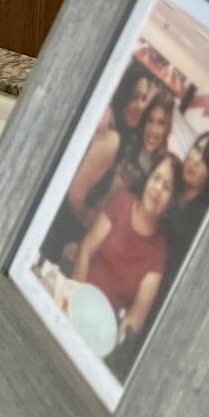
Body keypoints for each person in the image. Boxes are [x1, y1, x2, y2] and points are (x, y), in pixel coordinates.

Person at [39, 60, 155, 271]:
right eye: (134, 96)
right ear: (123, 95)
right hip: (59, 228)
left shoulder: (116, 129)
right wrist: (90, 222)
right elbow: (75, 194)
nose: (140, 105)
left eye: (144, 98)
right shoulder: (112, 138)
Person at [74, 152, 181, 359]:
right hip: (77, 296)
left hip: (101, 332)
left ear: (170, 202)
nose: (158, 189)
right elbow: (86, 249)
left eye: (167, 187)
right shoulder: (121, 202)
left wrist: (120, 335)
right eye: (156, 178)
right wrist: (76, 297)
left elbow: (138, 314)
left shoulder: (159, 252)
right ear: (147, 180)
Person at [158, 131, 209, 299]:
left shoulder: (203, 219)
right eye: (197, 149)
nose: (195, 160)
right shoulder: (170, 182)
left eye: (206, 160)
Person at [116, 90, 177, 196]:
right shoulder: (130, 143)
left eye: (161, 123)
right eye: (150, 120)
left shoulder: (164, 166)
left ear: (167, 129)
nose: (153, 130)